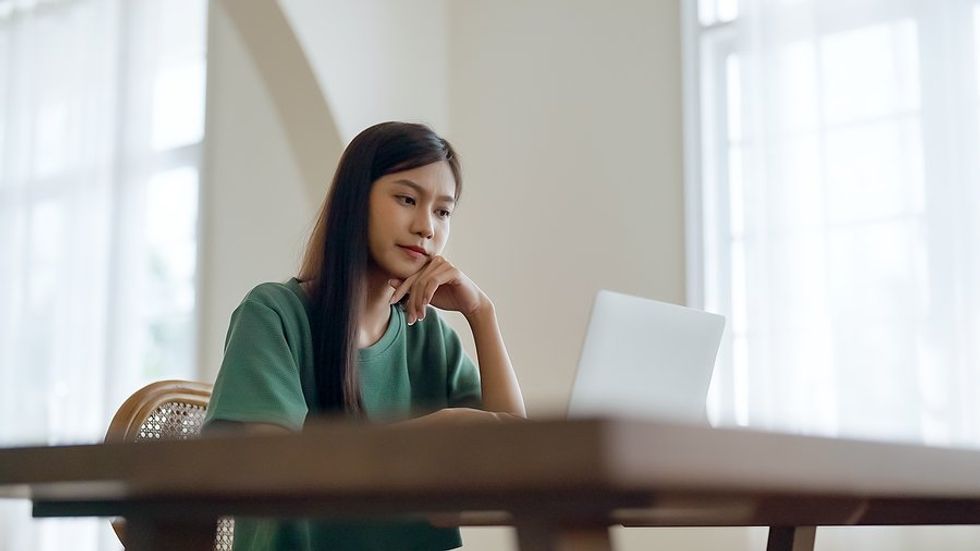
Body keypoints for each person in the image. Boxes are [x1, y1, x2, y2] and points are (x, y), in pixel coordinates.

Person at [202, 121, 526, 550]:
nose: (427, 226)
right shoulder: (274, 315)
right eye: (407, 199)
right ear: (356, 201)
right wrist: (425, 436)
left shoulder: (430, 338)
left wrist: (482, 314)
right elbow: (270, 468)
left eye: (443, 211)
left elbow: (520, 460)